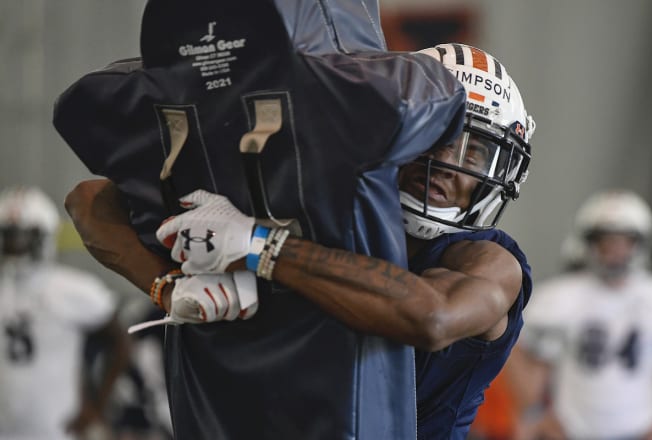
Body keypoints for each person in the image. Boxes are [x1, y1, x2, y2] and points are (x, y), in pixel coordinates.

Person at [65, 42, 536, 439]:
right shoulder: (322, 210)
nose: (445, 163)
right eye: (436, 136)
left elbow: (431, 316)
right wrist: (169, 286)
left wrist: (259, 246)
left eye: (472, 151)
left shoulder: (489, 261)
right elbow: (92, 201)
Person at [514, 189, 652, 440]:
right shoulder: (559, 296)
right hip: (573, 429)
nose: (614, 250)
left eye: (624, 240)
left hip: (640, 428)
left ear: (640, 243)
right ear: (588, 242)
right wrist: (535, 412)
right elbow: (521, 356)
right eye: (605, 240)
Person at [0, 185, 130, 440]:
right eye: (9, 237)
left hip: (55, 426)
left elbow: (122, 343)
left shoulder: (72, 289)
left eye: (24, 238)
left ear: (43, 237)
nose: (16, 247)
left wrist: (97, 408)